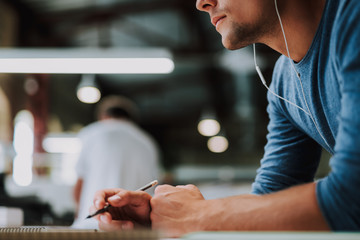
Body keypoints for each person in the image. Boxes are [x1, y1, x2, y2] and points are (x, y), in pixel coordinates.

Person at [91, 0, 360, 236]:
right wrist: (163, 217)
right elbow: (270, 201)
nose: (201, 3)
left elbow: (352, 198)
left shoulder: (352, 17)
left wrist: (198, 216)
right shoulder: (282, 84)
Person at [71, 95, 161, 229]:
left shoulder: (91, 133)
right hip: (134, 229)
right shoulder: (147, 142)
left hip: (93, 223)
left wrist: (79, 214)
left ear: (103, 116)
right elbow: (156, 188)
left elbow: (79, 183)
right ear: (130, 118)